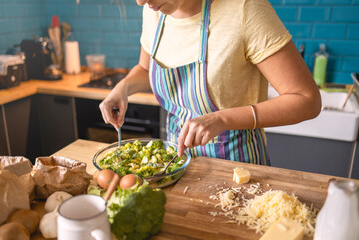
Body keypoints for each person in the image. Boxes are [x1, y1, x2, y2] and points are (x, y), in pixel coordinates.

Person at [99, 0, 321, 165]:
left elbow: (307, 100)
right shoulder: (154, 10)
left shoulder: (245, 10)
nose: (140, 2)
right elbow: (146, 68)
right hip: (176, 162)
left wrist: (221, 119)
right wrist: (123, 87)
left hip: (237, 166)